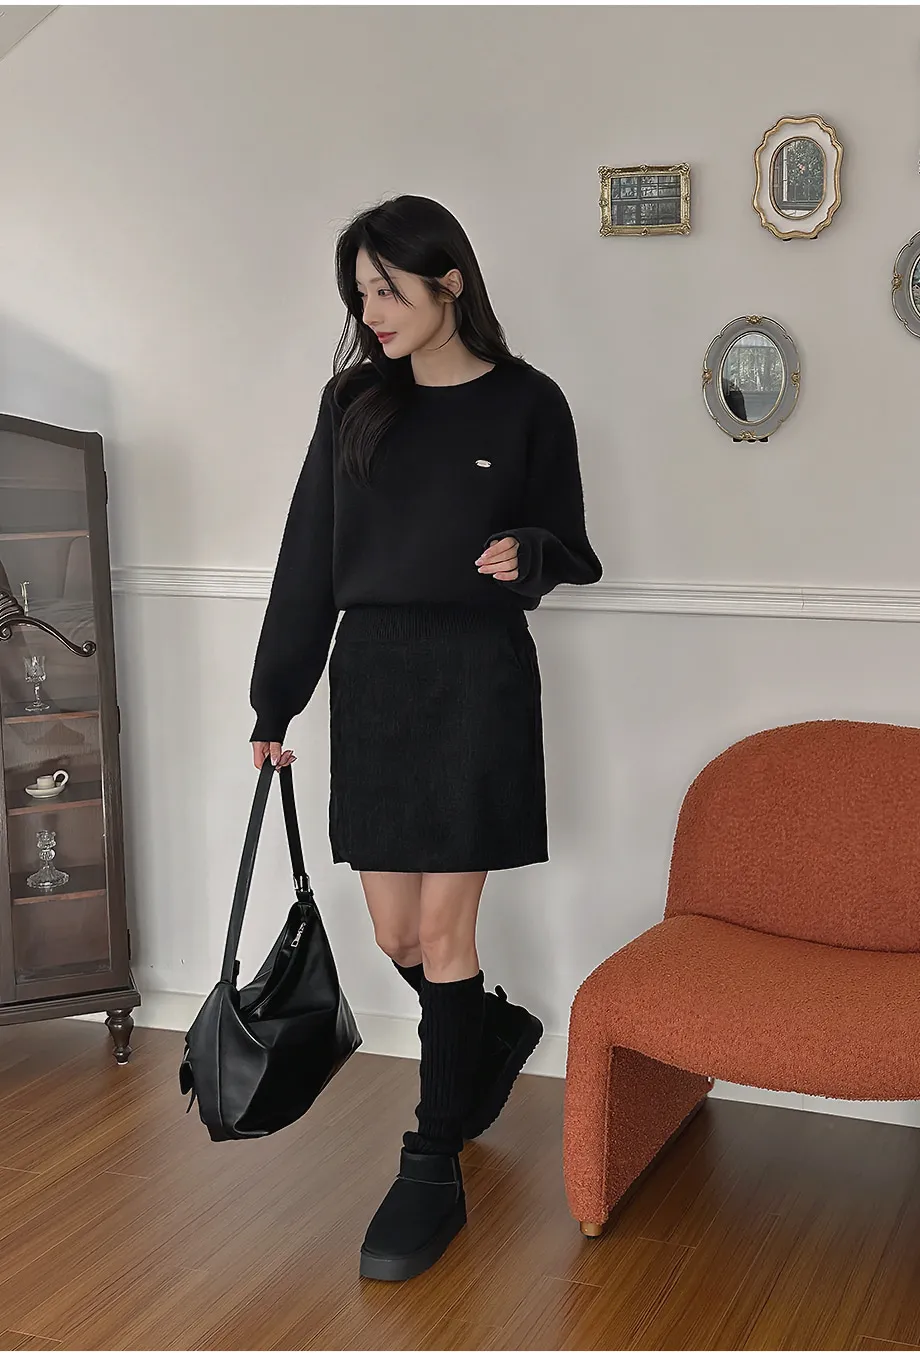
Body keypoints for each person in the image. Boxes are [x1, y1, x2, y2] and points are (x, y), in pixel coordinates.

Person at [249, 194, 603, 1283]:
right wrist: (274, 704)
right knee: (397, 935)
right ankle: (483, 1036)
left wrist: (528, 552)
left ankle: (430, 1155)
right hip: (373, 679)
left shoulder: (529, 400)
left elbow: (573, 547)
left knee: (446, 933)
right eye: (360, 293)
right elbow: (307, 553)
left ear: (450, 281)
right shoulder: (353, 402)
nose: (373, 312)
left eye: (389, 289)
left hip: (476, 679)